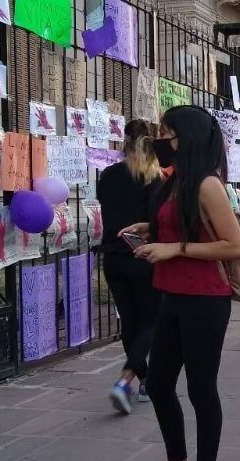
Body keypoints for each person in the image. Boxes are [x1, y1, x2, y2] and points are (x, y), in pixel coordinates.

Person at [126, 106, 240, 461]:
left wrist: (172, 247)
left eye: (168, 132)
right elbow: (182, 224)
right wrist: (150, 229)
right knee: (158, 382)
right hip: (173, 295)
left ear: (187, 137)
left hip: (204, 300)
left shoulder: (207, 184)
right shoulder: (176, 181)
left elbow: (233, 245)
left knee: (200, 389)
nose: (162, 140)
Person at [98, 119, 163, 415]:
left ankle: (146, 381)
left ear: (124, 143)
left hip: (112, 258)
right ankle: (125, 380)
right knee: (150, 321)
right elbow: (159, 224)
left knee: (130, 322)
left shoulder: (108, 176)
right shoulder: (155, 179)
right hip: (143, 258)